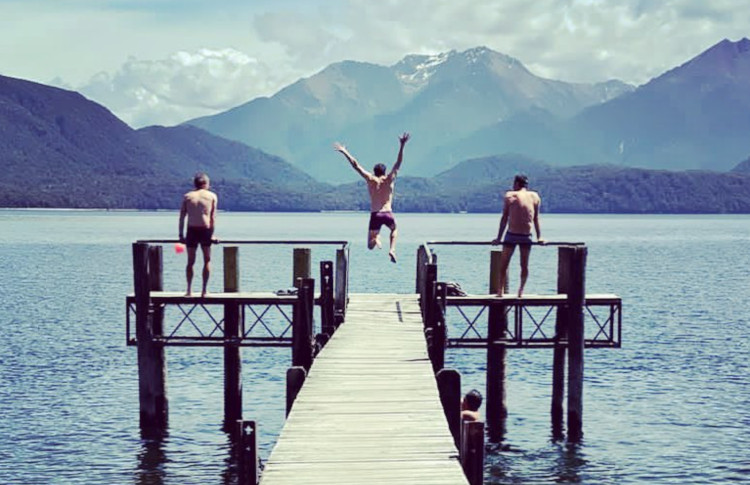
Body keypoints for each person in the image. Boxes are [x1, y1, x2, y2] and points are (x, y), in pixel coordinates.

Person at [334, 132, 410, 263]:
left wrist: (345, 151)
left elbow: (356, 165)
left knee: (370, 246)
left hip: (375, 214)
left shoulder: (370, 179)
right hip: (388, 213)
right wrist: (402, 145)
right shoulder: (389, 179)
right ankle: (392, 249)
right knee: (394, 229)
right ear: (384, 171)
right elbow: (398, 163)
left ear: (374, 171)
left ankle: (376, 238)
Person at [491, 174, 544, 297]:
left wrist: (498, 238)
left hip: (512, 234)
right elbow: (536, 219)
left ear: (516, 184)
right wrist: (539, 237)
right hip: (526, 235)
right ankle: (520, 291)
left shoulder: (510, 195)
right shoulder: (535, 196)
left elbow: (504, 218)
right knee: (524, 265)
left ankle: (500, 291)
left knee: (504, 264)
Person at [178, 172, 218, 297]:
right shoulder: (211, 196)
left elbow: (182, 217)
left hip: (191, 230)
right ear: (206, 184)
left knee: (190, 261)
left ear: (195, 184)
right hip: (205, 230)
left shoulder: (187, 196)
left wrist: (180, 235)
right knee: (207, 260)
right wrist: (212, 235)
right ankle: (204, 291)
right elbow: (212, 218)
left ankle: (189, 290)